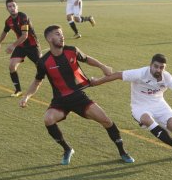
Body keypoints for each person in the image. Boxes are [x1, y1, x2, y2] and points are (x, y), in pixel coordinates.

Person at [19, 25, 134, 165]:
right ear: (49, 38)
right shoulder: (43, 62)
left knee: (106, 121)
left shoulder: (71, 51)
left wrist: (102, 66)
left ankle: (122, 151)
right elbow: (37, 81)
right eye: (57, 34)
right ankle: (67, 149)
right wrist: (26, 96)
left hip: (79, 97)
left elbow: (87, 59)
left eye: (61, 33)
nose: (62, 36)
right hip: (60, 100)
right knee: (48, 119)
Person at [91, 53, 172, 159]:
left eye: (161, 67)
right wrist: (96, 82)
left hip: (159, 105)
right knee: (146, 119)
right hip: (140, 106)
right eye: (156, 66)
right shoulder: (140, 73)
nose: (158, 69)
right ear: (151, 65)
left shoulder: (167, 77)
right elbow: (116, 75)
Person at [0, 0, 42, 97]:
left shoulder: (23, 17)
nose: (12, 8)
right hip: (21, 46)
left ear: (17, 6)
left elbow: (25, 35)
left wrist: (12, 46)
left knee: (43, 68)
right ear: (7, 9)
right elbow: (4, 32)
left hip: (33, 46)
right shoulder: (8, 21)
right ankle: (18, 90)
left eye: (13, 6)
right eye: (9, 6)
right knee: (12, 66)